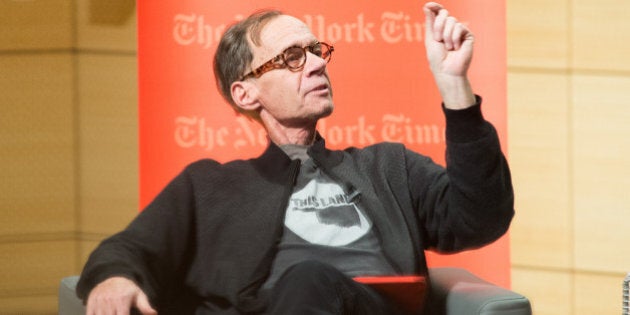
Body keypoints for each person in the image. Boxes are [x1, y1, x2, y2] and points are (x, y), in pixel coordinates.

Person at [76, 2, 514, 314]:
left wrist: (455, 86)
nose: (317, 64)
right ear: (246, 92)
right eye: (291, 57)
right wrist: (115, 279)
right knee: (306, 280)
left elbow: (481, 217)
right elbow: (127, 249)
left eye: (316, 51)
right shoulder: (209, 187)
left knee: (311, 279)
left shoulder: (387, 167)